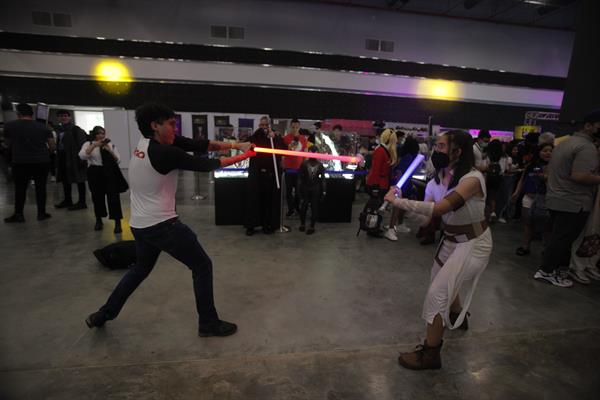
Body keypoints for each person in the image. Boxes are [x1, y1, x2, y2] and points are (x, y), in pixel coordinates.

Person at [85, 103, 255, 337]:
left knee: (140, 269)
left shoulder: (145, 144)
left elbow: (201, 145)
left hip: (140, 225)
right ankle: (208, 323)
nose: (175, 129)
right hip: (163, 226)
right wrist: (247, 155)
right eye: (171, 124)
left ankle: (103, 314)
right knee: (202, 266)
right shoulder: (166, 153)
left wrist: (238, 145)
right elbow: (207, 164)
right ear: (155, 125)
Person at [384, 130, 492, 370]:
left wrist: (397, 202)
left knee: (437, 294)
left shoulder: (472, 179)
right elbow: (425, 218)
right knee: (440, 280)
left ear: (458, 151)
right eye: (437, 145)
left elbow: (440, 209)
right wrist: (402, 199)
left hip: (474, 244)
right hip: (451, 240)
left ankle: (431, 355)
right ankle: (455, 315)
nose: (436, 150)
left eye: (442, 146)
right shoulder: (438, 177)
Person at [534, 110, 600, 287]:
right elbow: (579, 176)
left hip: (558, 197)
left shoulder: (564, 142)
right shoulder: (586, 147)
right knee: (562, 239)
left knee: (559, 238)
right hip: (573, 201)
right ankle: (546, 271)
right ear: (588, 126)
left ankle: (551, 270)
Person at [4, 103, 55, 223]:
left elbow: (7, 143)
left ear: (19, 113)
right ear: (31, 113)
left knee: (20, 188)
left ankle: (19, 215)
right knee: (41, 188)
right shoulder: (43, 127)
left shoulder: (10, 126)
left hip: (20, 161)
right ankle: (41, 214)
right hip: (42, 161)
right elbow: (52, 145)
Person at [78, 126, 127, 233]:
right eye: (98, 133)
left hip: (109, 172)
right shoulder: (88, 144)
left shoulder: (109, 144)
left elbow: (118, 160)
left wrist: (109, 150)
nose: (101, 136)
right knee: (97, 197)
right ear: (94, 135)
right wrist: (94, 145)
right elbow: (82, 156)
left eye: (103, 133)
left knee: (113, 198)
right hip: (95, 172)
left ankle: (117, 223)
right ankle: (98, 220)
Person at [244, 116, 286, 236]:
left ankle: (267, 225)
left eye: (266, 125)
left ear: (270, 126)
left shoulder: (275, 137)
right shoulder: (255, 136)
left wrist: (276, 138)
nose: (263, 128)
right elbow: (246, 145)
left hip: (270, 174)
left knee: (268, 201)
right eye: (261, 125)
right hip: (256, 173)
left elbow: (283, 148)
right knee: (253, 199)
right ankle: (251, 225)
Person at [511, 143, 553, 256]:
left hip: (545, 199)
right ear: (539, 152)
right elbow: (522, 180)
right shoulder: (531, 165)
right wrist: (516, 193)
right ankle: (525, 246)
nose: (548, 153)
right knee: (528, 223)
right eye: (545, 150)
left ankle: (546, 248)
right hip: (528, 197)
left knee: (547, 226)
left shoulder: (555, 166)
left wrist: (545, 177)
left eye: (550, 151)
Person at [384, 135, 419, 241]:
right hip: (400, 185)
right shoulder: (408, 156)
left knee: (401, 206)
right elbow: (400, 172)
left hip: (404, 184)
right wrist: (397, 187)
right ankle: (390, 229)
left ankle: (399, 224)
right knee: (397, 207)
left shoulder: (406, 155)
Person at [54, 109, 89, 210]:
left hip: (75, 158)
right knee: (65, 179)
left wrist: (82, 159)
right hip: (63, 157)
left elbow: (83, 145)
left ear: (69, 117)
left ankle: (82, 202)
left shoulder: (76, 130)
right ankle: (67, 200)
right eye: (61, 116)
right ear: (58, 118)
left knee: (80, 179)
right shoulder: (59, 130)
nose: (63, 117)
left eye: (65, 116)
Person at [297, 146, 326, 234]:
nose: (313, 153)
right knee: (306, 206)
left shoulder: (308, 164)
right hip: (309, 187)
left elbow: (323, 179)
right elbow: (299, 178)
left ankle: (310, 226)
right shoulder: (305, 164)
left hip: (313, 188)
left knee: (311, 206)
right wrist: (324, 191)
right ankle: (305, 225)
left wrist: (324, 191)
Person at [283, 119, 308, 217]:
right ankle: (290, 209)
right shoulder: (285, 138)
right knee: (288, 191)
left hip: (299, 168)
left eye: (297, 127)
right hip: (288, 168)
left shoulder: (303, 139)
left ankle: (297, 208)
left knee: (298, 191)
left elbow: (305, 153)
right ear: (290, 127)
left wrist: (305, 167)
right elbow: (282, 152)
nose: (295, 129)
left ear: (299, 127)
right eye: (293, 127)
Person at [366, 128, 397, 206]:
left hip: (377, 184)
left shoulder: (380, 150)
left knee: (373, 209)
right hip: (382, 184)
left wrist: (374, 186)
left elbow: (375, 170)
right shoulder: (387, 150)